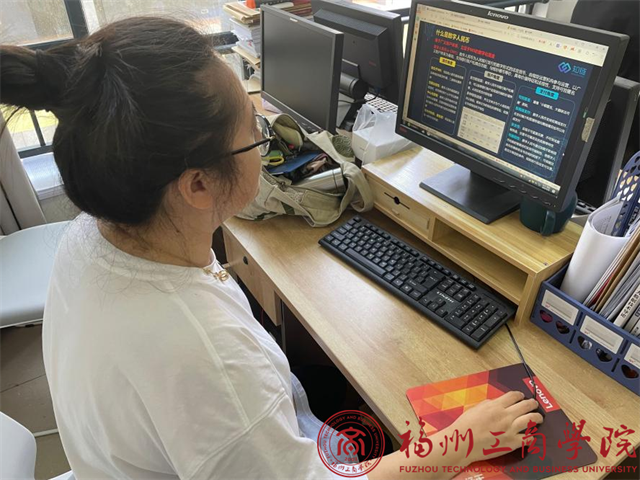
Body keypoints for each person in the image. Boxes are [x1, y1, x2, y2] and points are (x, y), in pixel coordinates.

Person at [0, 17, 542, 479]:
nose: (268, 145)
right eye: (256, 134)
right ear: (197, 185)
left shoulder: (92, 234)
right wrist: (458, 444)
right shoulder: (203, 356)